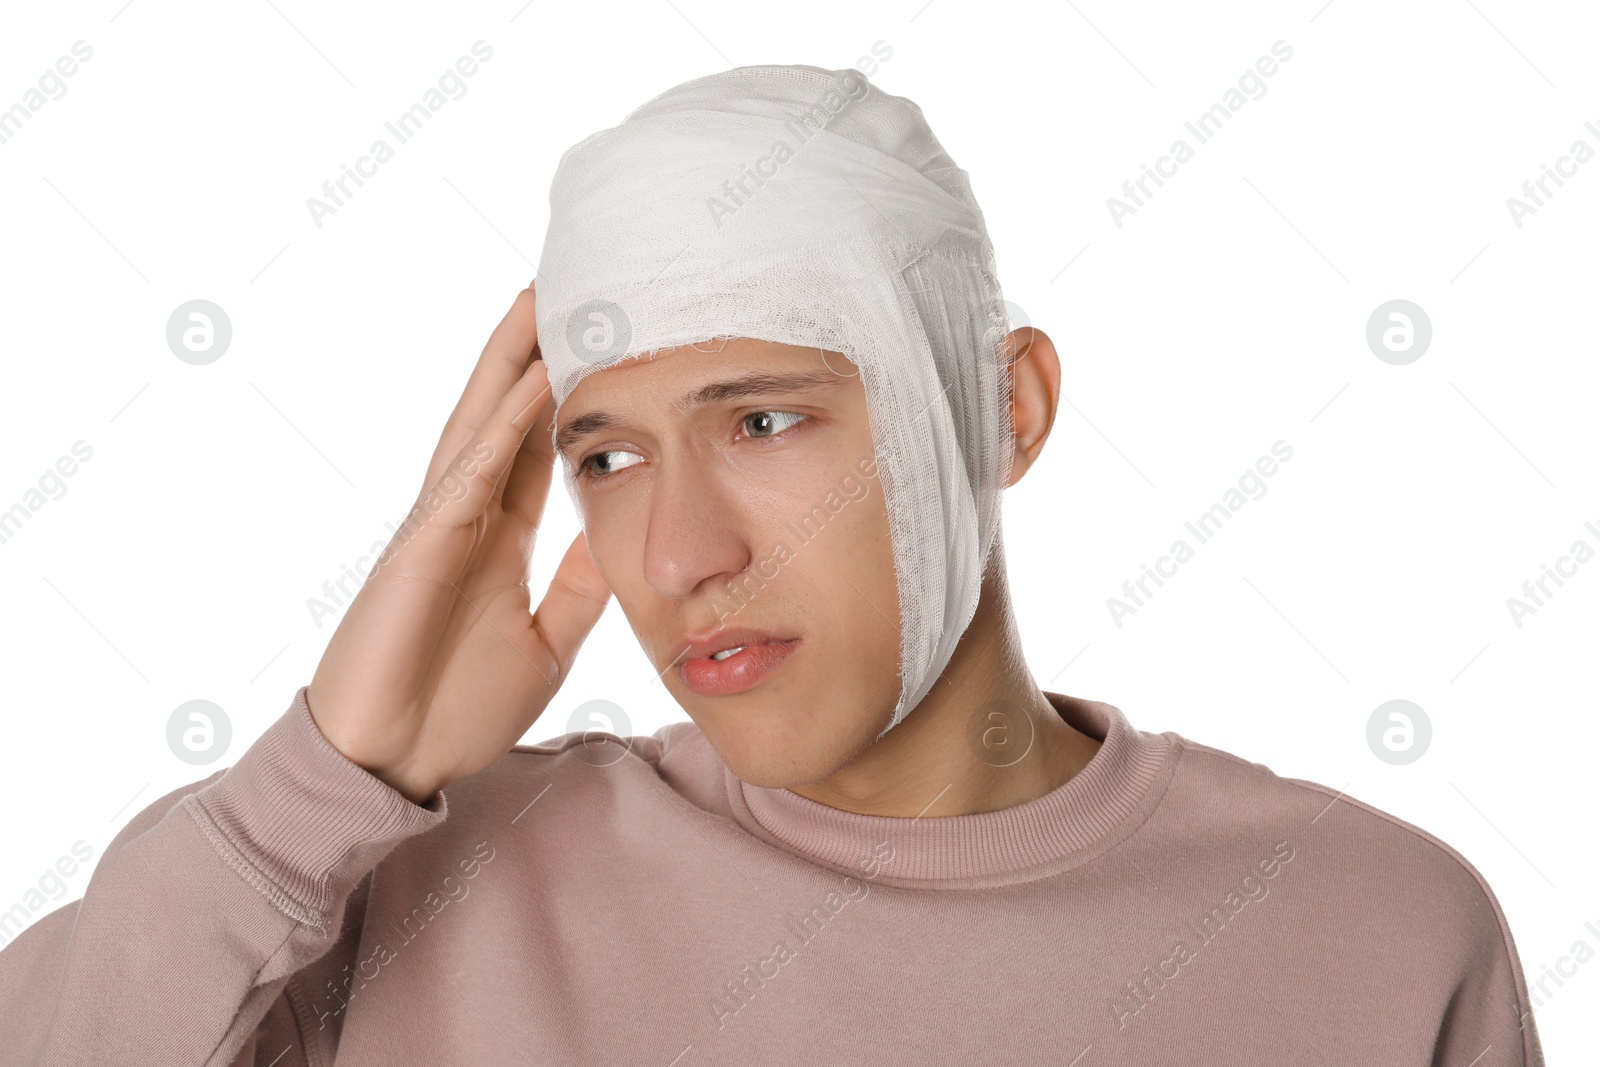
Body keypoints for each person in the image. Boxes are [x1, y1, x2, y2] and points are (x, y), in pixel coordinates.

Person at [1, 66, 1544, 1066]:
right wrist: (329, 774)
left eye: (763, 417)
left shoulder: (1377, 936)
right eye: (606, 455)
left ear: (1002, 411)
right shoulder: (392, 899)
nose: (680, 552)